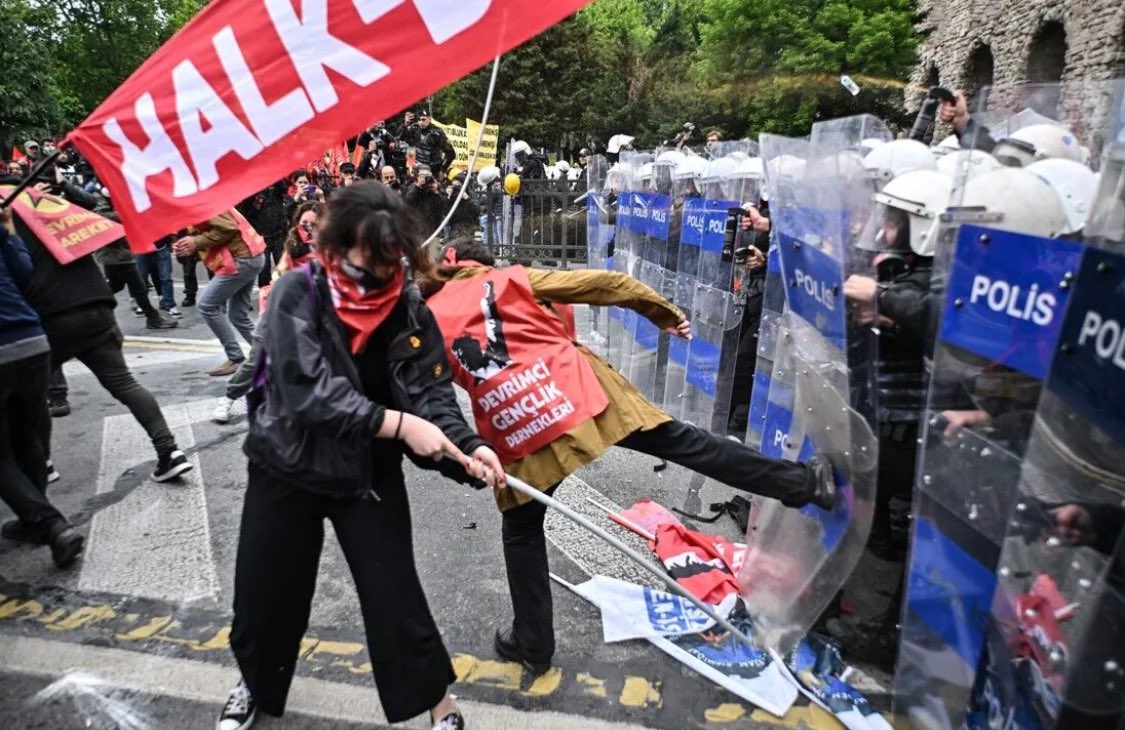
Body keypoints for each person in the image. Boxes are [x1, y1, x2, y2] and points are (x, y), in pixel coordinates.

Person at [423, 238, 837, 675]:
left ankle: (533, 643)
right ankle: (804, 485)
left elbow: (425, 400)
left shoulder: (427, 318)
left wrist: (461, 460)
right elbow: (606, 283)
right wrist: (664, 313)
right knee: (688, 445)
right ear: (483, 264)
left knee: (521, 533)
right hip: (585, 401)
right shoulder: (511, 278)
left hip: (521, 433)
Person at [219, 182, 503, 730]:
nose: (377, 274)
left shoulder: (408, 305)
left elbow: (431, 395)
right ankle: (253, 682)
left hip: (367, 473)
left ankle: (438, 703)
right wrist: (396, 424)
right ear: (336, 244)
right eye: (365, 260)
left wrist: (470, 449)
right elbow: (305, 391)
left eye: (389, 260)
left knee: (394, 594)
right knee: (266, 593)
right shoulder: (295, 294)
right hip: (286, 464)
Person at [10, 186, 194, 483]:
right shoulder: (48, 204)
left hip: (51, 314)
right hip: (96, 304)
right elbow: (88, 206)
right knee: (124, 383)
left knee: (32, 393)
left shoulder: (9, 218)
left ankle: (40, 463)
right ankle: (169, 450)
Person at [0, 207, 85, 568]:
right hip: (33, 344)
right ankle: (35, 520)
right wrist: (8, 231)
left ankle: (50, 524)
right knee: (26, 438)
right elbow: (24, 274)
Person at [212, 201, 324, 423]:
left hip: (311, 314)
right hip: (279, 307)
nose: (309, 229)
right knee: (257, 358)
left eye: (315, 225)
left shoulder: (334, 249)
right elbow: (278, 277)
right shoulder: (293, 246)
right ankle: (229, 397)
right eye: (305, 224)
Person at [173, 211, 266, 376]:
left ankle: (236, 357)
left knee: (207, 305)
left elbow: (227, 227)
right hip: (248, 257)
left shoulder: (203, 200)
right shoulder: (200, 199)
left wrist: (195, 242)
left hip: (241, 259)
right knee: (238, 315)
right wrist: (187, 244)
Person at [401, 110, 456, 177]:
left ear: (429, 119)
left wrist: (442, 170)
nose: (421, 122)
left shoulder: (437, 133)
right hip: (417, 167)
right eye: (419, 119)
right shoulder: (414, 128)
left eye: (423, 119)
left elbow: (451, 153)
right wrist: (410, 164)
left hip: (433, 170)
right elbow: (407, 144)